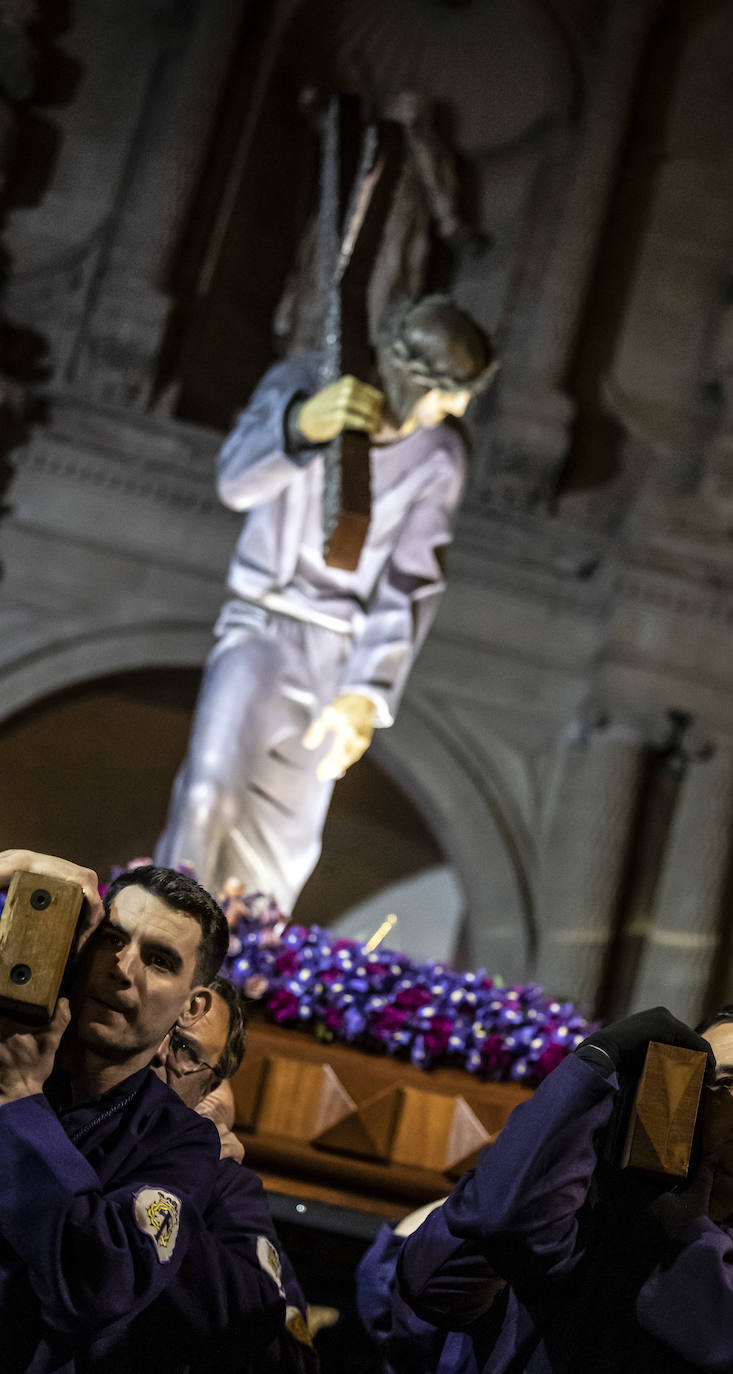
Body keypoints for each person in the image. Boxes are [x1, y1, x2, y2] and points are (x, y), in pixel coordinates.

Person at [155, 294, 497, 912]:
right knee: (210, 793)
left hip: (339, 651)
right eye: (449, 389)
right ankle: (162, 929)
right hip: (264, 622)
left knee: (286, 844)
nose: (459, 407)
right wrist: (300, 426)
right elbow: (235, 482)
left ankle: (242, 965)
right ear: (409, 373)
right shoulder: (303, 384)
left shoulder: (440, 454)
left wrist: (366, 693)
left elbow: (412, 579)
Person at [359, 1004, 733, 1372]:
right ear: (684, 1105)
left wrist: (686, 1247)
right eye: (727, 1081)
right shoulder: (577, 1217)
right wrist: (586, 1075)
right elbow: (448, 1269)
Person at [0, 860, 241, 1372]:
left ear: (191, 1007)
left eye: (158, 960)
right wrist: (13, 866)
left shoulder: (182, 1143)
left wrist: (19, 1099)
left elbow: (98, 1285)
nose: (121, 968)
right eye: (112, 939)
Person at [104, 976, 317, 1373]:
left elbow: (289, 1358)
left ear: (211, 1086)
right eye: (154, 1028)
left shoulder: (226, 1185)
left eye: (184, 1048)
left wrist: (184, 1170)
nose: (158, 1053)